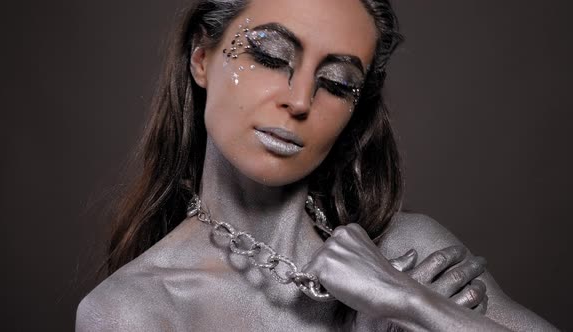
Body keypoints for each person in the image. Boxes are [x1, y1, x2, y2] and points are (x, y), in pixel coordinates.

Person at [76, 0, 558, 330]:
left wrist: (412, 303)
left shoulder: (409, 257)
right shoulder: (132, 310)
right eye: (269, 55)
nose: (301, 99)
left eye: (337, 83)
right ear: (202, 58)